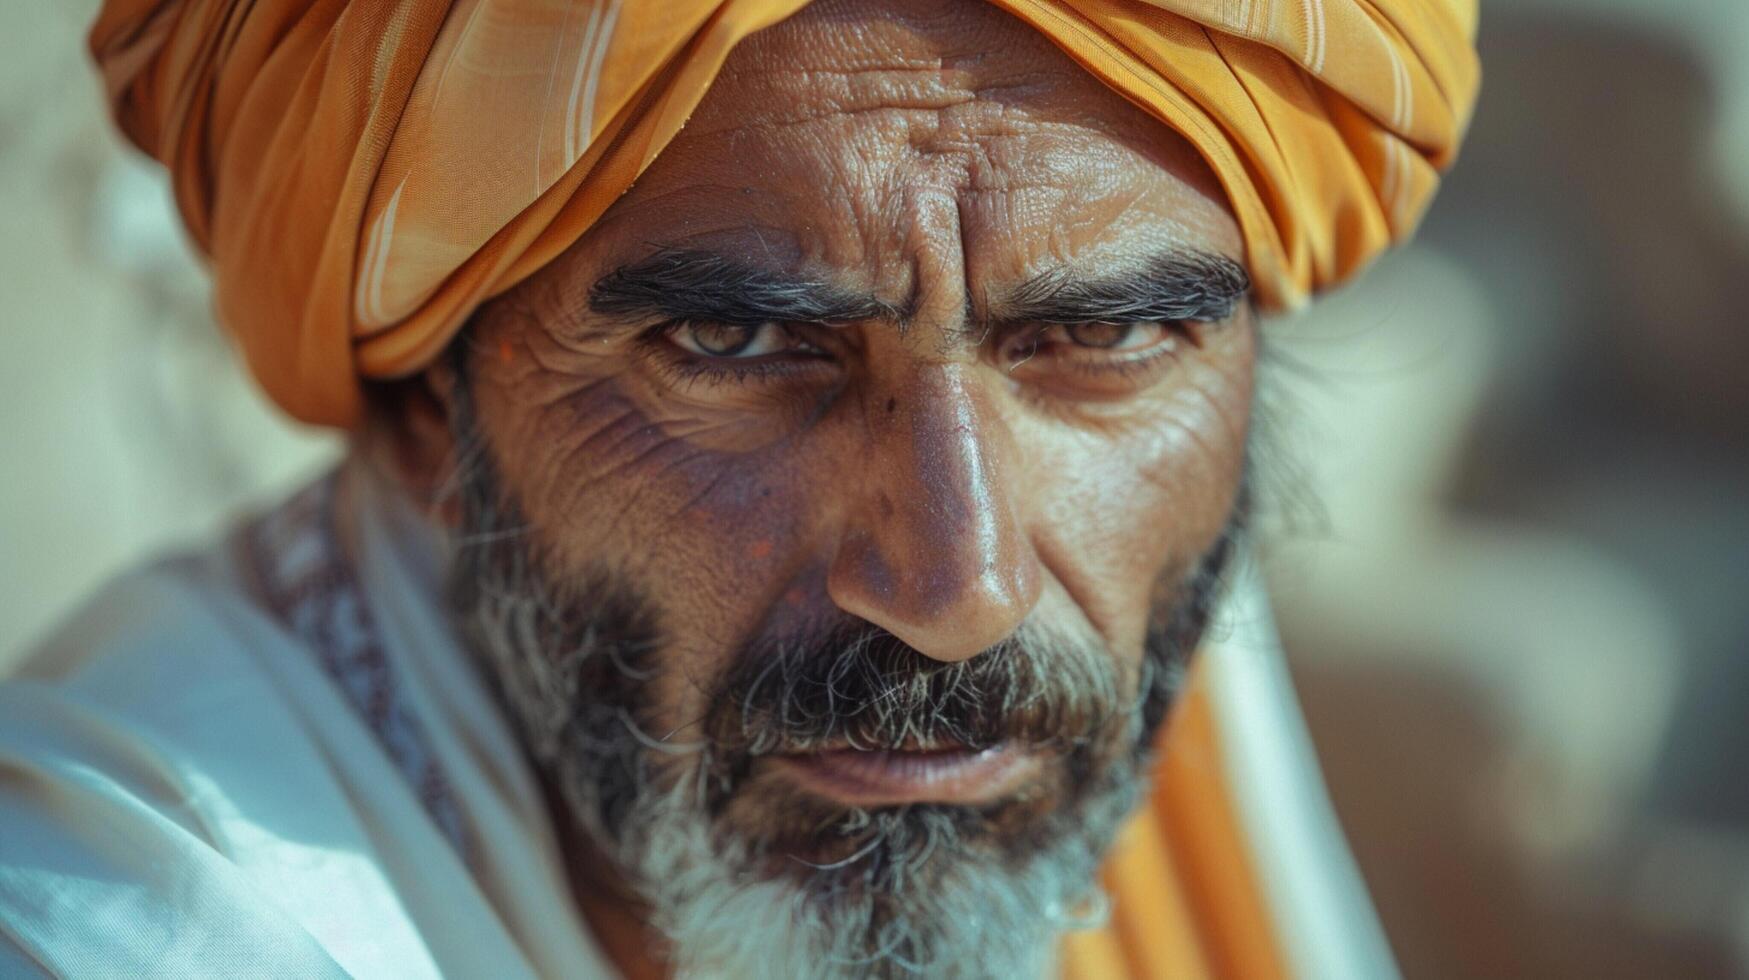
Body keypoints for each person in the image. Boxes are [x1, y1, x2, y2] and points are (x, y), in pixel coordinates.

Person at [0, 1, 1478, 977]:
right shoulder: (124, 928)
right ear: (419, 421)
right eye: (733, 342)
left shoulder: (1103, 674)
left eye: (1099, 336)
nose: (962, 591)